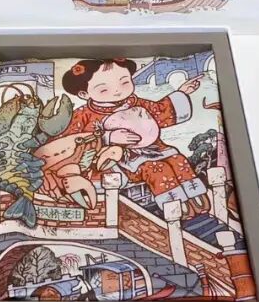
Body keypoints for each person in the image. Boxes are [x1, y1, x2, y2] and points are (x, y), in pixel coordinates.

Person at [60, 58, 202, 210]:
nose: (118, 91)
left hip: (155, 150)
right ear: (84, 94)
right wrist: (108, 137)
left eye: (124, 82)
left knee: (178, 160)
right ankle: (175, 208)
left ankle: (198, 200)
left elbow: (160, 111)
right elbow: (71, 141)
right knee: (157, 169)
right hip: (116, 163)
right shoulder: (83, 115)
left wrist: (182, 93)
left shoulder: (137, 103)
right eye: (104, 90)